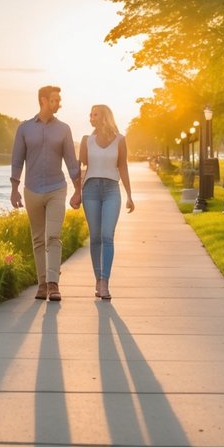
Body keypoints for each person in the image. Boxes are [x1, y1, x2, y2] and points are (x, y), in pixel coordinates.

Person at [10, 85, 81, 302]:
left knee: (53, 236)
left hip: (56, 188)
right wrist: (14, 189)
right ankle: (41, 285)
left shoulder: (64, 129)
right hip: (31, 189)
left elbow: (71, 161)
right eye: (55, 100)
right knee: (38, 238)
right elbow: (17, 160)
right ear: (43, 100)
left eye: (59, 100)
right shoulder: (24, 128)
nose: (59, 103)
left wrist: (78, 190)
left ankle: (53, 284)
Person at [76, 104, 134, 300]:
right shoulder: (86, 140)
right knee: (96, 238)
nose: (91, 117)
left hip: (111, 190)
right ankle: (98, 280)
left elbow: (123, 167)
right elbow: (80, 167)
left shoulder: (120, 140)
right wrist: (76, 192)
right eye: (90, 114)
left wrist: (129, 195)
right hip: (91, 189)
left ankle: (105, 281)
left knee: (107, 236)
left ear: (105, 117)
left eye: (95, 114)